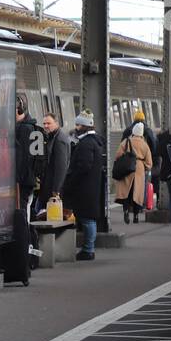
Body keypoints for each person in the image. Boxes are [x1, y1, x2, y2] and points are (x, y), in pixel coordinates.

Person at [61, 109, 104, 261]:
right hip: (90, 186)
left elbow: (83, 166)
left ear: (85, 126)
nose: (76, 128)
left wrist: (72, 180)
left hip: (85, 187)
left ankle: (88, 250)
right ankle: (88, 248)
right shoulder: (95, 142)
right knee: (88, 218)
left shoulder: (86, 144)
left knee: (87, 219)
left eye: (79, 125)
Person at [114, 120, 155, 224]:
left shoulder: (126, 141)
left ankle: (126, 211)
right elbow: (149, 163)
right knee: (137, 194)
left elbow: (118, 155)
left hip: (127, 167)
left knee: (126, 192)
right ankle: (136, 216)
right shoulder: (145, 145)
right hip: (140, 168)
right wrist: (143, 166)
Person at [36, 112, 71, 219]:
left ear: (56, 123)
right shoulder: (53, 137)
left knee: (43, 213)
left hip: (52, 188)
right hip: (48, 186)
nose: (46, 126)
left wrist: (56, 190)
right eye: (44, 123)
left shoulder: (60, 140)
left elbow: (61, 167)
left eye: (49, 123)